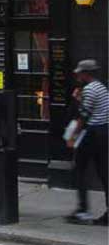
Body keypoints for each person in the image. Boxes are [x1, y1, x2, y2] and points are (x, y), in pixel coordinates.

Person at [67, 59, 108, 225]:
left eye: (79, 73)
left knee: (79, 170)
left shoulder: (90, 90)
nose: (77, 75)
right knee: (104, 172)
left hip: (92, 133)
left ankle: (83, 211)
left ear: (86, 74)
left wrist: (72, 137)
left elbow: (83, 117)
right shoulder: (102, 87)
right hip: (104, 132)